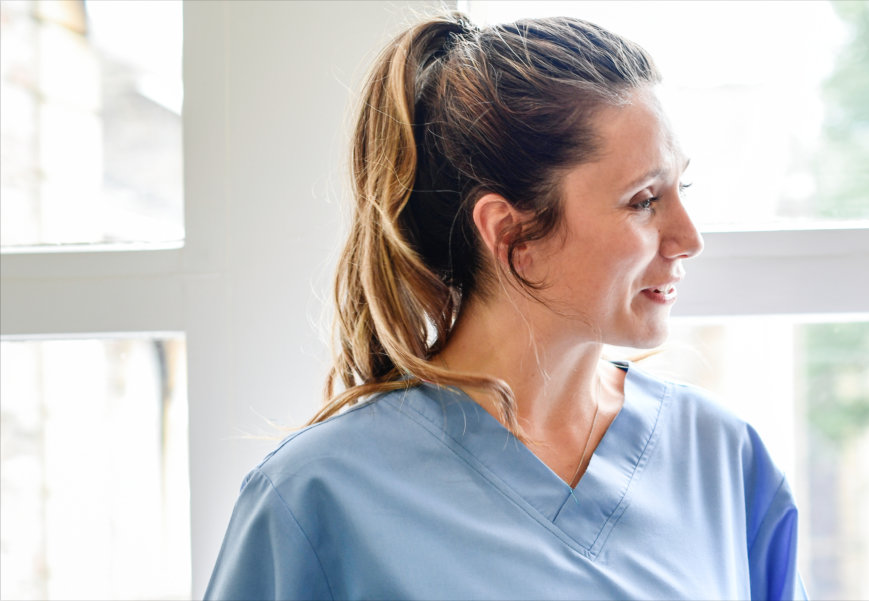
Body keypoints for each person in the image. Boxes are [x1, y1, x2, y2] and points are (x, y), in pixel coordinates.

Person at [204, 13, 802, 600]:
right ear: (512, 235)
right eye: (644, 200)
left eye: (681, 189)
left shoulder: (723, 459)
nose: (689, 238)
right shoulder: (317, 497)